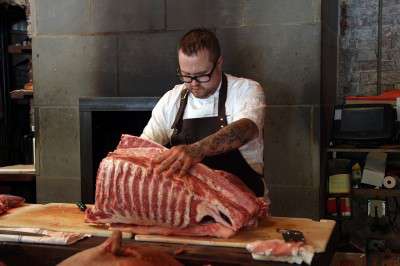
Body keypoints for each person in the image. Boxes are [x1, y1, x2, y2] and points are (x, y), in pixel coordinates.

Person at [141, 28, 267, 197]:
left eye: (202, 75)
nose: (193, 84)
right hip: (190, 208)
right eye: (186, 76)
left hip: (242, 204)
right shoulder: (171, 100)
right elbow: (145, 146)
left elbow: (246, 128)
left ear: (219, 63)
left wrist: (197, 150)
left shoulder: (245, 90)